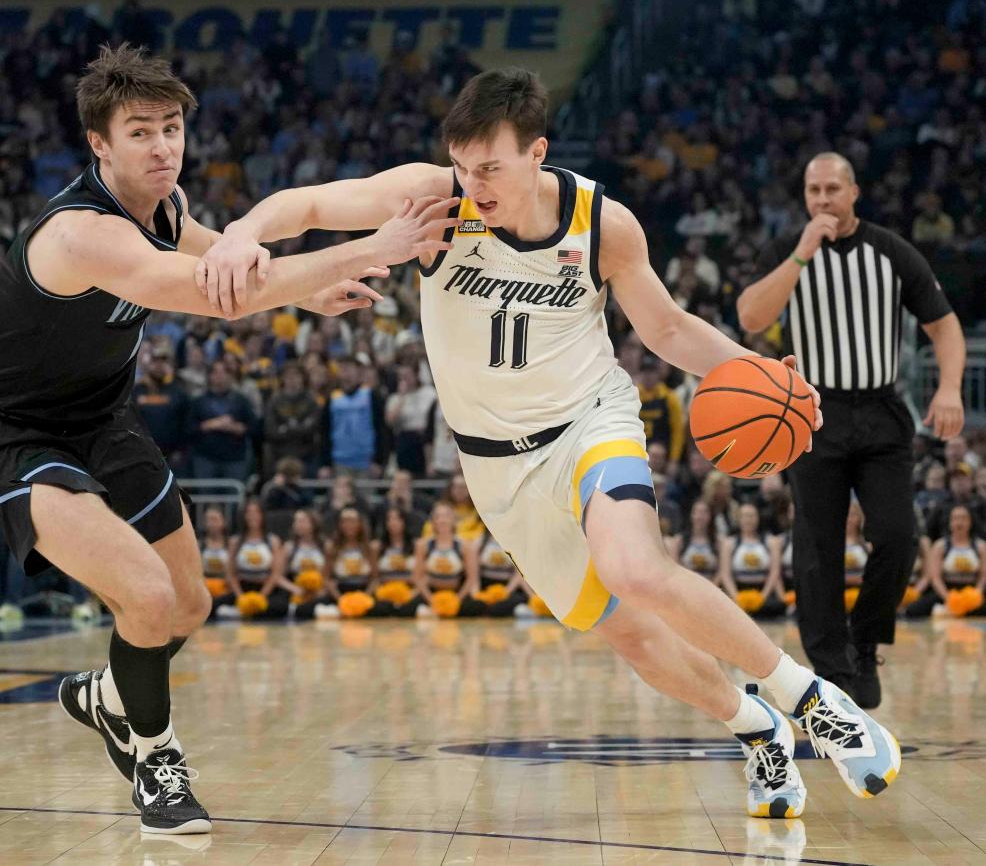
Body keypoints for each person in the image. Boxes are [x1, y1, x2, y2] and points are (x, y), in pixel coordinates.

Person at [202, 67, 902, 818]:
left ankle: (811, 700)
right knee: (633, 638)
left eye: (491, 168)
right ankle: (755, 725)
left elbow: (665, 330)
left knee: (635, 565)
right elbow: (307, 204)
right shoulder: (434, 197)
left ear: (537, 152)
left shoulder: (603, 222)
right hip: (496, 466)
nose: (474, 184)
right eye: (464, 166)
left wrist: (758, 371)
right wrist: (241, 233)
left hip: (589, 421)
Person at [0, 44, 452, 836]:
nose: (161, 147)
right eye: (140, 132)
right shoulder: (81, 233)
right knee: (144, 596)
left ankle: (113, 697)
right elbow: (214, 297)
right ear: (99, 144)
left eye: (172, 128)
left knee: (189, 602)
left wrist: (312, 290)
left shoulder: (167, 204)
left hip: (102, 416)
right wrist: (374, 248)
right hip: (12, 431)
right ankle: (157, 761)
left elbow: (220, 255)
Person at [738, 151, 966, 709]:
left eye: (832, 190)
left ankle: (866, 642)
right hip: (814, 413)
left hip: (884, 410)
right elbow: (750, 317)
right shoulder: (789, 250)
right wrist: (799, 255)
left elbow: (944, 324)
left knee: (897, 534)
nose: (822, 201)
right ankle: (832, 670)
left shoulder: (891, 252)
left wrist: (950, 388)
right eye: (813, 191)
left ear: (854, 192)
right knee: (816, 546)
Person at [908, 504, 986, 618]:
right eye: (956, 518)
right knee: (913, 610)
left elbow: (983, 576)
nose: (959, 522)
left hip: (972, 590)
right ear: (950, 523)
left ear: (970, 522)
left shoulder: (981, 546)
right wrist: (949, 598)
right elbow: (935, 578)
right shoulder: (940, 546)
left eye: (963, 518)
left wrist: (975, 594)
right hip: (946, 591)